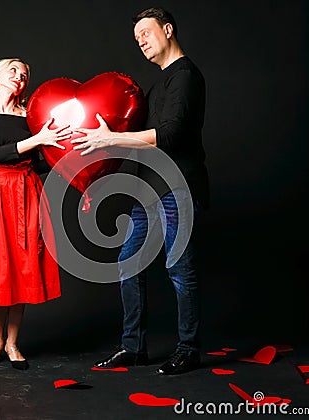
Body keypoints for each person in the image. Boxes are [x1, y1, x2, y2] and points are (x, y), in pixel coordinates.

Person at [72, 7, 209, 374]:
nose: (141, 42)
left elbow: (170, 135)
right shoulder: (158, 83)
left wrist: (111, 137)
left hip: (179, 187)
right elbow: (136, 142)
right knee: (128, 263)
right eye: (137, 39)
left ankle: (188, 347)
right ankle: (133, 348)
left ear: (167, 30)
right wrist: (91, 177)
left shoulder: (185, 76)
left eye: (146, 33)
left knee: (179, 268)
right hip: (148, 190)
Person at [0, 58, 71, 370]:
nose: (20, 76)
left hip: (27, 193)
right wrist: (38, 140)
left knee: (23, 266)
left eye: (24, 74)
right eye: (13, 69)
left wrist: (68, 157)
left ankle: (12, 342)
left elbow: (40, 162)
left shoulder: (32, 117)